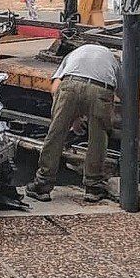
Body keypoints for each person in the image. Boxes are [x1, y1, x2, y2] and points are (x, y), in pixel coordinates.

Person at [27, 43, 120, 203]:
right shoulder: (114, 61)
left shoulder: (73, 54)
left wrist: (71, 118)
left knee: (55, 135)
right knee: (98, 139)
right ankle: (93, 188)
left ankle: (42, 185)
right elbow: (129, 100)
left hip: (70, 85)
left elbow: (55, 88)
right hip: (101, 90)